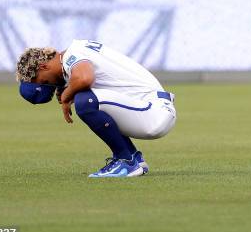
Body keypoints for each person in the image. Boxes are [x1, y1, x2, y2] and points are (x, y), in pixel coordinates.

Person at [15, 39, 176, 178]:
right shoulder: (76, 51)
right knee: (86, 97)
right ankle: (134, 157)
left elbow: (85, 78)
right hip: (149, 108)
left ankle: (125, 161)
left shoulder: (72, 54)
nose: (48, 85)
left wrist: (66, 96)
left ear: (43, 66)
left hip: (153, 112)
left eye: (43, 81)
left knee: (85, 101)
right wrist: (67, 87)